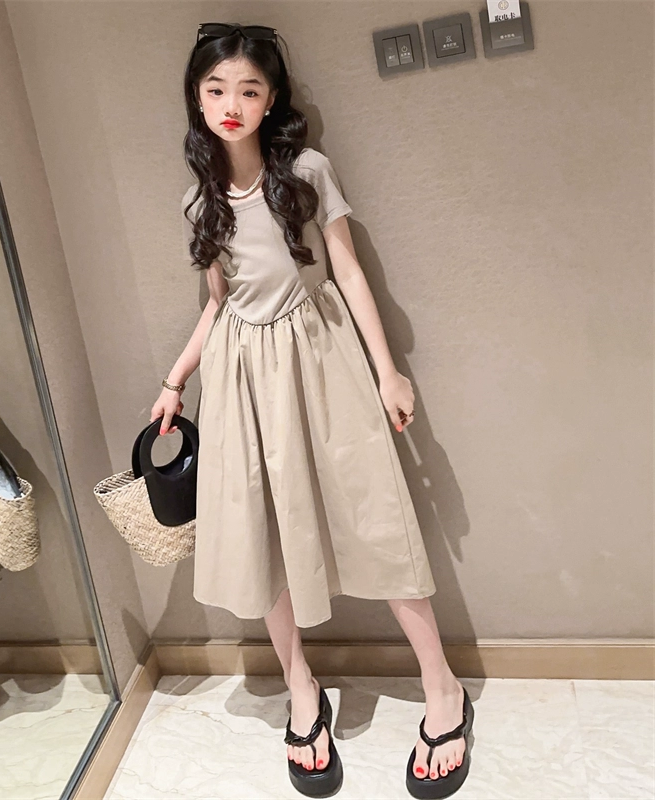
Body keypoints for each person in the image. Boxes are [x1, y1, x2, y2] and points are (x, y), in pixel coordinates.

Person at [150, 22, 475, 799]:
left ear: (272, 100)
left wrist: (389, 372)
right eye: (216, 89)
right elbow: (217, 302)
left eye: (249, 90)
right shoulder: (198, 199)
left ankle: (442, 686)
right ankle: (301, 688)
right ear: (196, 97)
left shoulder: (306, 172)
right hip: (240, 374)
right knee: (262, 530)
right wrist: (175, 379)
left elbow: (349, 273)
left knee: (374, 512)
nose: (231, 104)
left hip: (320, 356)